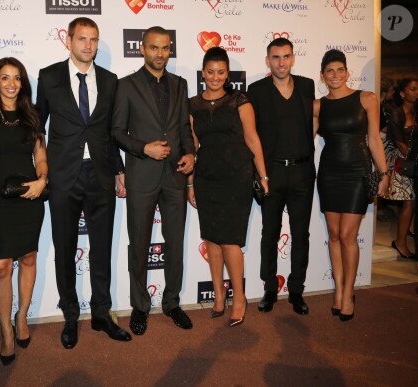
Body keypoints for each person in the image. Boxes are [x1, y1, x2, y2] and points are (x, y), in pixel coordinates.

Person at [35, 17, 131, 349]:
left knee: (101, 248)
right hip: (63, 178)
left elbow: (110, 131)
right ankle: (71, 316)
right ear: (68, 40)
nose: (88, 45)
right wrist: (42, 170)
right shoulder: (48, 78)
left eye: (93, 39)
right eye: (82, 39)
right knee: (65, 248)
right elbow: (37, 128)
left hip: (100, 175)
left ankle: (102, 314)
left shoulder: (110, 80)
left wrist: (119, 169)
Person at [112, 26, 196, 335]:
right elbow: (117, 132)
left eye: (165, 48)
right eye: (154, 48)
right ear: (142, 49)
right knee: (139, 244)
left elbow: (185, 130)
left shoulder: (180, 84)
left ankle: (172, 303)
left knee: (175, 242)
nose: (159, 53)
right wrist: (143, 148)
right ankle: (140, 306)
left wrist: (191, 155)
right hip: (141, 175)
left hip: (174, 175)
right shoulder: (126, 86)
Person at [0, 57, 47, 365]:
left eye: (17, 78)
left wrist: (43, 179)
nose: (12, 83)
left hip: (29, 196)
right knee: (1, 266)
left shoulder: (32, 114)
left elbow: (41, 155)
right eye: (5, 78)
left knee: (28, 258)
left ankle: (22, 317)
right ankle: (5, 332)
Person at [187, 47, 268, 327]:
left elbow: (253, 139)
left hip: (236, 177)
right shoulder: (193, 104)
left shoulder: (239, 101)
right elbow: (193, 145)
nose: (216, 77)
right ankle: (219, 296)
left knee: (231, 240)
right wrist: (190, 182)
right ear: (203, 72)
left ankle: (240, 298)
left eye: (221, 72)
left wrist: (264, 176)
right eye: (211, 72)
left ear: (227, 73)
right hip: (206, 177)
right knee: (211, 239)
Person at [313, 49, 389, 321]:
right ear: (322, 75)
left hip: (357, 172)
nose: (335, 75)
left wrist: (384, 172)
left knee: (348, 235)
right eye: (329, 71)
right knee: (333, 235)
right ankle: (338, 291)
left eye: (339, 70)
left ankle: (348, 292)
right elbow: (302, 139)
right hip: (329, 173)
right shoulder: (318, 106)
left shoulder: (366, 98)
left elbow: (374, 139)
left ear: (347, 72)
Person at [247, 38, 315, 316]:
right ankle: (270, 289)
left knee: (301, 234)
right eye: (275, 57)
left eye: (286, 56)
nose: (281, 62)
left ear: (293, 58)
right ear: (267, 60)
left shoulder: (308, 86)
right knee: (269, 234)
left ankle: (296, 290)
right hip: (271, 173)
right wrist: (261, 174)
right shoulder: (256, 91)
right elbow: (251, 136)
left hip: (302, 171)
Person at [386, 78, 418, 260]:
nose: (416, 92)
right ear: (402, 93)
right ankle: (400, 242)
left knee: (411, 203)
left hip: (413, 162)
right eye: (412, 89)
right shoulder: (397, 113)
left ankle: (402, 239)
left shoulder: (416, 111)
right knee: (408, 202)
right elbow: (399, 142)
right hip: (403, 163)